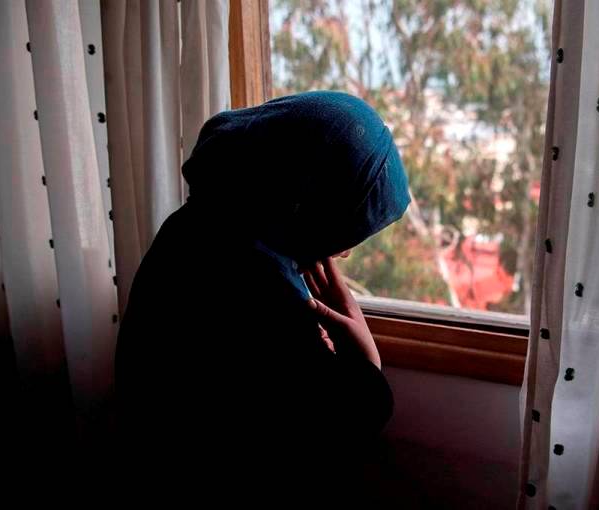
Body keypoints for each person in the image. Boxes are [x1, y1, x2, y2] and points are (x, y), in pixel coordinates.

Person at [115, 91, 410, 504]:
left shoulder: (195, 228)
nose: (344, 252)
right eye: (344, 228)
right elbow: (323, 442)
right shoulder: (256, 289)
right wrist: (366, 364)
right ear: (302, 199)